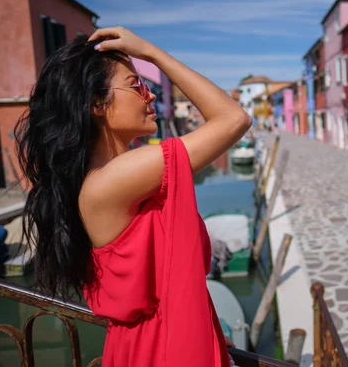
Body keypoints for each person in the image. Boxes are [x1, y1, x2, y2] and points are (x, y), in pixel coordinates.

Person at [15, 27, 251, 366]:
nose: (150, 95)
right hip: (161, 351)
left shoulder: (111, 179)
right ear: (96, 102)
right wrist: (151, 53)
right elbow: (234, 118)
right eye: (136, 84)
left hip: (163, 342)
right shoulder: (114, 179)